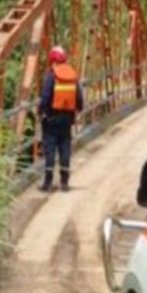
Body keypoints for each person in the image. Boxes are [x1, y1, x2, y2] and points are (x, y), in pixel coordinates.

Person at [38, 46, 84, 192]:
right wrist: (78, 110)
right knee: (65, 148)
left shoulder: (51, 76)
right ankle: (64, 181)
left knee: (50, 150)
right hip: (67, 120)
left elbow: (45, 97)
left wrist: (40, 111)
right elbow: (79, 98)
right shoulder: (72, 76)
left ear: (52, 60)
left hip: (51, 120)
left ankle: (48, 182)